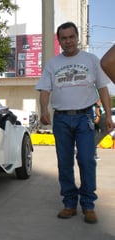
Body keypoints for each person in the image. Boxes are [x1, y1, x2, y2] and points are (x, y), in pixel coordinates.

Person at [36, 22, 114, 224]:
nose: (68, 41)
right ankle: (70, 204)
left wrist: (107, 115)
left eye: (71, 37)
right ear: (59, 40)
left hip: (84, 118)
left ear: (77, 37)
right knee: (64, 163)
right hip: (61, 119)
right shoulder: (53, 64)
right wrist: (44, 110)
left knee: (87, 160)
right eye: (64, 38)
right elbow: (45, 90)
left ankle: (88, 205)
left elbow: (103, 88)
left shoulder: (91, 60)